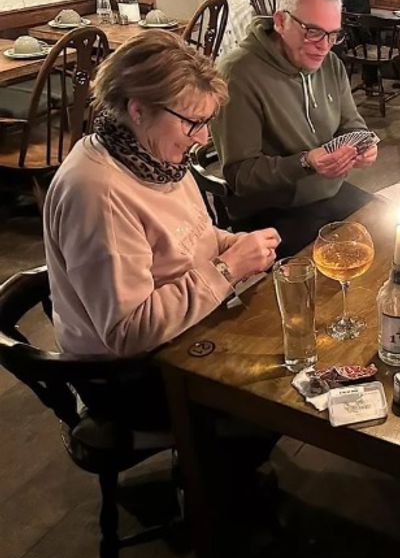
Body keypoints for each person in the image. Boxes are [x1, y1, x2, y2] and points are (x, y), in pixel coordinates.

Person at [43, 31, 280, 424]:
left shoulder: (153, 154)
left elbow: (190, 237)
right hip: (123, 375)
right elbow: (128, 332)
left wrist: (235, 245)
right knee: (271, 393)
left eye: (207, 122)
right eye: (193, 123)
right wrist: (227, 268)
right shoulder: (98, 193)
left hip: (181, 332)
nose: (203, 138)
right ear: (138, 110)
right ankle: (216, 475)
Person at [213, 0, 377, 257]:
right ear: (280, 21)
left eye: (333, 34)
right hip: (272, 209)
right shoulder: (238, 74)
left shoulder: (331, 63)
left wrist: (363, 146)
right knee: (334, 265)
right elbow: (240, 176)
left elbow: (352, 123)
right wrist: (305, 162)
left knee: (387, 233)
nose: (324, 47)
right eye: (313, 31)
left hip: (328, 192)